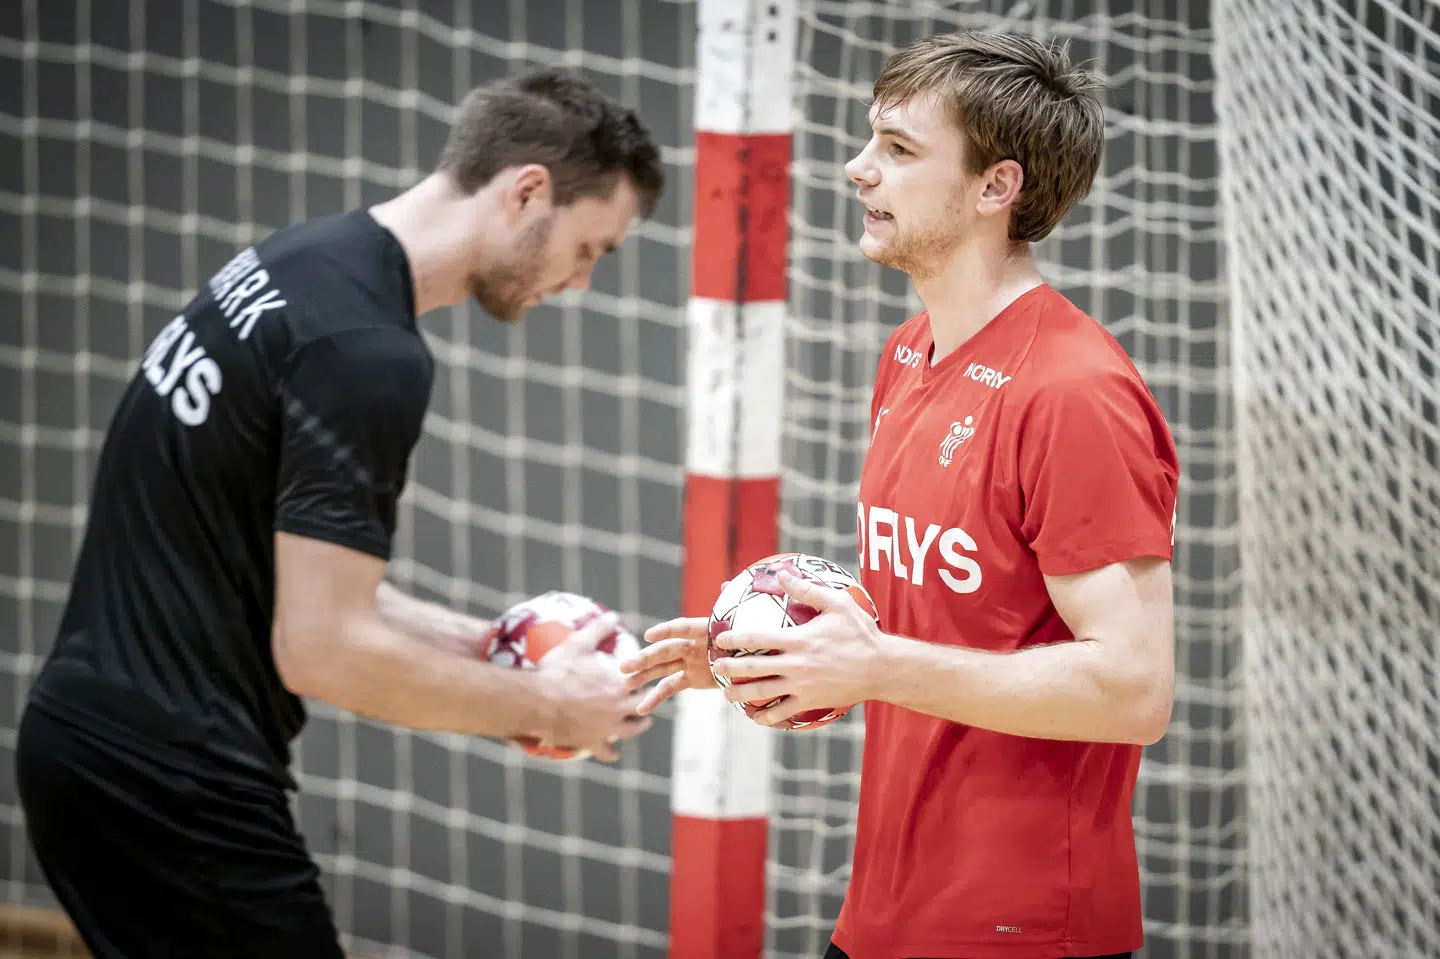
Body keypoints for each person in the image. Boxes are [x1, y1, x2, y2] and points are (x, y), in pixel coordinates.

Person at [16, 67, 665, 959]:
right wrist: (549, 708)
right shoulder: (367, 354)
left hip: (89, 747)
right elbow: (323, 649)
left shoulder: (296, 263)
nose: (581, 281)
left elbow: (266, 563)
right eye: (590, 247)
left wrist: (481, 645)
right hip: (170, 781)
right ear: (526, 191)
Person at [623, 32, 1179, 959]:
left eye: (899, 148)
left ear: (996, 187)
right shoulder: (909, 353)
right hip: (886, 912)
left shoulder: (1076, 393)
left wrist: (876, 666)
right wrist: (779, 652)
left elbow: (1133, 690)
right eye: (869, 139)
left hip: (1023, 933)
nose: (858, 167)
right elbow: (946, 618)